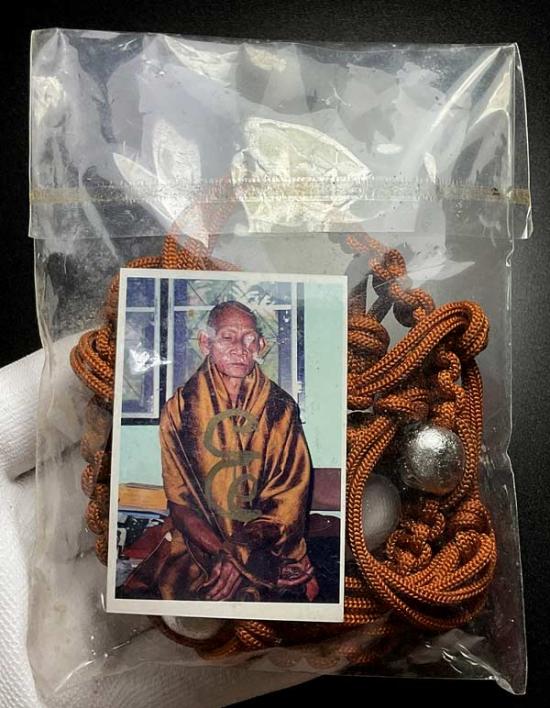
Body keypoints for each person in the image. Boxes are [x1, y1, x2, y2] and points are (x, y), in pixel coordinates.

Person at [124, 300, 318, 603]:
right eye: (228, 337)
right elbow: (180, 504)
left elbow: (288, 502)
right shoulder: (179, 409)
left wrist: (243, 556)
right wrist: (230, 556)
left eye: (249, 339)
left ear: (261, 345)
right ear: (206, 343)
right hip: (200, 546)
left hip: (269, 548)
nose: (240, 349)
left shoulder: (281, 408)